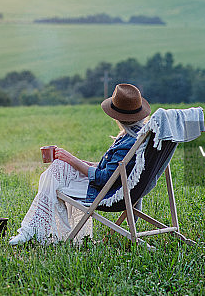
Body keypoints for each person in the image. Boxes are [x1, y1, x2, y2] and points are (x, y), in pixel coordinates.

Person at [8, 83, 151, 245]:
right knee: (59, 167)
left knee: (56, 175)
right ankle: (33, 229)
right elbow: (118, 168)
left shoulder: (128, 143)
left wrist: (71, 159)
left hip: (106, 193)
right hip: (116, 186)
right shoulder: (139, 136)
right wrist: (82, 163)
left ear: (117, 116)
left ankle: (32, 231)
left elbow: (103, 178)